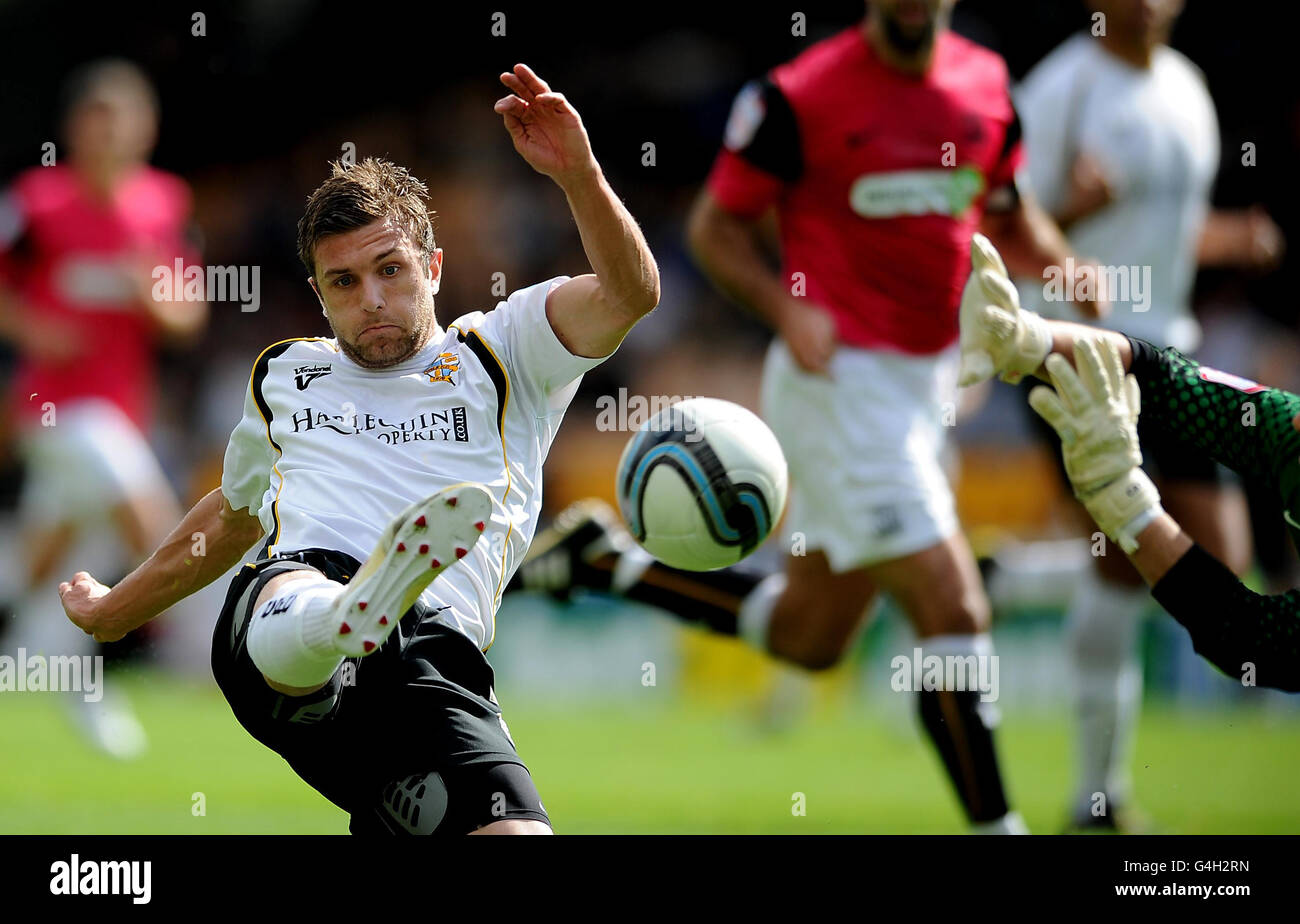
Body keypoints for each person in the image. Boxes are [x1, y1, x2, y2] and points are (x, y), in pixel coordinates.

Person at [517, 0, 1101, 834]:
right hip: (838, 383)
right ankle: (998, 827)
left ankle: (608, 564)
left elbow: (1006, 213)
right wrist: (784, 308)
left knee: (811, 634)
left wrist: (1066, 265)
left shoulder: (985, 86)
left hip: (924, 389)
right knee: (954, 608)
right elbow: (715, 229)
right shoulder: (802, 95)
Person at [57, 63, 660, 834]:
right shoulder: (287, 373)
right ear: (318, 293)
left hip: (434, 662)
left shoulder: (506, 348)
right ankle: (345, 614)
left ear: (433, 267)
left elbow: (630, 294)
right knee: (288, 590)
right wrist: (116, 609)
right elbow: (236, 519)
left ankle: (368, 638)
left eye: (391, 270)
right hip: (289, 621)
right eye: (343, 282)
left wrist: (579, 176)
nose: (371, 298)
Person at [1012, 0, 1284, 830]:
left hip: (1170, 355)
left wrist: (1228, 239)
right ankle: (1098, 796)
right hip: (1079, 349)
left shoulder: (1188, 91)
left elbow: (1160, 231)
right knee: (1140, 554)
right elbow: (1004, 218)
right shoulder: (1061, 86)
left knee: (1200, 562)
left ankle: (1009, 576)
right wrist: (1073, 208)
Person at [960, 231, 1300, 694]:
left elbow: (1264, 645)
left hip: (1155, 328)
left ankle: (1012, 577)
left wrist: (1124, 498)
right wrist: (1028, 338)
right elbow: (1165, 379)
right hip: (1112, 341)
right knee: (1137, 563)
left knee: (1197, 556)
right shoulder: (1289, 429)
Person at [0, 59, 206, 757]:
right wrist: (33, 328)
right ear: (75, 128)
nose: (109, 134)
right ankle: (200, 646)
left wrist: (152, 297)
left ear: (145, 131)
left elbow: (189, 316)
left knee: (58, 559)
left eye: (124, 121)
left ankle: (55, 668)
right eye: (97, 119)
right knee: (142, 508)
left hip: (124, 406)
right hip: (53, 407)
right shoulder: (34, 201)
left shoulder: (164, 206)